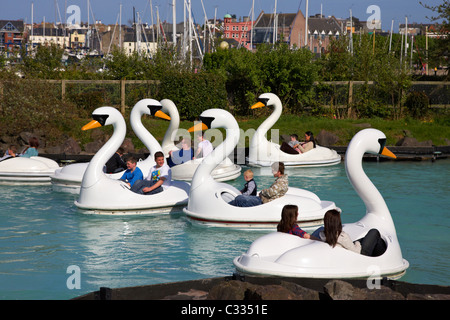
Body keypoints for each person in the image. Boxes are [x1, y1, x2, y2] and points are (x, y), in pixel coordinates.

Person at [318, 209, 387, 256]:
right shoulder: (342, 237)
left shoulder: (323, 235)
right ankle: (382, 259)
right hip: (359, 256)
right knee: (374, 232)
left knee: (364, 239)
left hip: (345, 250)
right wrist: (358, 244)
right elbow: (356, 252)